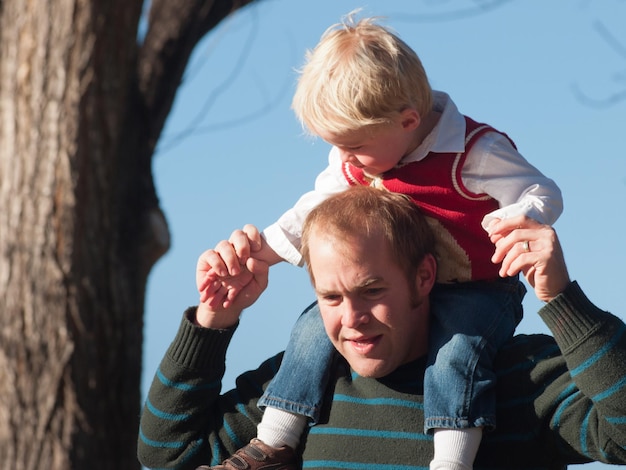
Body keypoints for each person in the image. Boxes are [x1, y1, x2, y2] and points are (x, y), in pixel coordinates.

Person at [199, 12, 563, 470]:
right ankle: (273, 444)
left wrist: (519, 218)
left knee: (456, 354)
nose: (345, 158)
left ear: (408, 120)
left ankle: (451, 460)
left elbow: (540, 190)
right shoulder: (359, 158)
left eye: (354, 145)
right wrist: (262, 254)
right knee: (311, 329)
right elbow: (311, 211)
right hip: (400, 290)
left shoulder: (475, 151)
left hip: (478, 288)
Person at [137, 186, 626, 470]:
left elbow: (620, 435)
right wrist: (212, 322)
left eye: (372, 291)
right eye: (331, 297)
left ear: (423, 277)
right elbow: (167, 453)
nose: (351, 320)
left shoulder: (513, 377)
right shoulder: (300, 386)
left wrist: (562, 300)